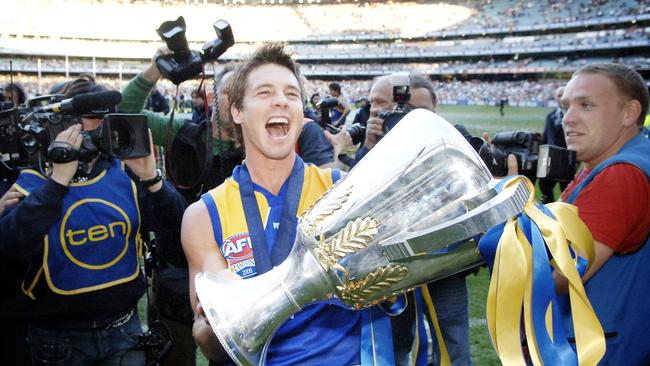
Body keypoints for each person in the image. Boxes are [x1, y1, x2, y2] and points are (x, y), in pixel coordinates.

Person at [182, 43, 405, 365]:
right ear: (237, 111)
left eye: (291, 94)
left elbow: (392, 289)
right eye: (264, 92)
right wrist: (213, 321)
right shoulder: (203, 216)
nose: (280, 101)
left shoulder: (345, 192)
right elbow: (213, 339)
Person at [0, 74, 187, 366]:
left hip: (124, 332)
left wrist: (153, 180)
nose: (104, 125)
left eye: (108, 117)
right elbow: (11, 245)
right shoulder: (30, 181)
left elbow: (179, 231)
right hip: (57, 341)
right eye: (92, 117)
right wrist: (57, 184)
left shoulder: (124, 175)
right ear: (64, 123)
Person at [327, 73, 473, 365]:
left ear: (435, 107)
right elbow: (353, 203)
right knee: (391, 344)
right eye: (378, 104)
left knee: (451, 344)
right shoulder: (379, 144)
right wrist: (369, 147)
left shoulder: (455, 136)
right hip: (388, 265)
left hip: (443, 261)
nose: (406, 118)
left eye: (416, 111)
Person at [118, 50, 244, 366]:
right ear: (212, 97)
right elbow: (126, 113)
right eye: (226, 93)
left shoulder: (262, 148)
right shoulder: (184, 132)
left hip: (240, 266)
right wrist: (154, 71)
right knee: (177, 353)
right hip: (179, 262)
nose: (232, 103)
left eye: (241, 93)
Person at [557, 63, 650, 364]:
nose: (568, 118)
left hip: (603, 347)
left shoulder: (620, 174)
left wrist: (501, 233)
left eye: (586, 105)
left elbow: (562, 276)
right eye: (565, 106)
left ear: (629, 113)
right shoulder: (628, 159)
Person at [539, 86, 569, 203]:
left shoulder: (575, 116)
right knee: (544, 184)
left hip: (567, 160)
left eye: (564, 95)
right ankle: (549, 208)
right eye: (559, 95)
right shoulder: (550, 116)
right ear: (555, 98)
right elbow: (546, 136)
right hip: (551, 159)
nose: (561, 98)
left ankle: (566, 212)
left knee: (567, 189)